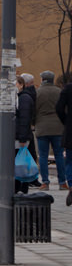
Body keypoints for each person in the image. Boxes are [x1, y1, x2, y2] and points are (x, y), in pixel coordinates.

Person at [34, 71, 66, 191]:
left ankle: (45, 182)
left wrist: (34, 123)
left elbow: (34, 110)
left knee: (43, 155)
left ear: (43, 79)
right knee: (59, 155)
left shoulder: (38, 93)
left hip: (42, 127)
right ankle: (62, 182)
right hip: (58, 128)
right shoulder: (59, 92)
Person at [17, 74, 38, 193]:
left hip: (22, 136)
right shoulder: (21, 97)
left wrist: (23, 138)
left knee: (22, 163)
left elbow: (24, 119)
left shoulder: (24, 98)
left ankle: (22, 188)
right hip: (22, 135)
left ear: (21, 85)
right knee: (21, 163)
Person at [56, 74, 72, 205]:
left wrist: (66, 121)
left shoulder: (68, 89)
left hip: (71, 131)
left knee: (70, 161)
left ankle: (71, 185)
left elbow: (59, 108)